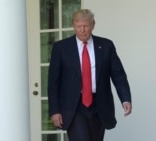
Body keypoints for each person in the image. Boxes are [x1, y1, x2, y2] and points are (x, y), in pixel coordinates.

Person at [48, 9, 132, 141]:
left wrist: (125, 98)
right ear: (73, 26)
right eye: (78, 26)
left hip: (99, 104)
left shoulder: (106, 45)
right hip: (74, 106)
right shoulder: (61, 48)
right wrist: (54, 110)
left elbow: (118, 74)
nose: (82, 30)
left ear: (93, 25)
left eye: (85, 26)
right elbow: (53, 82)